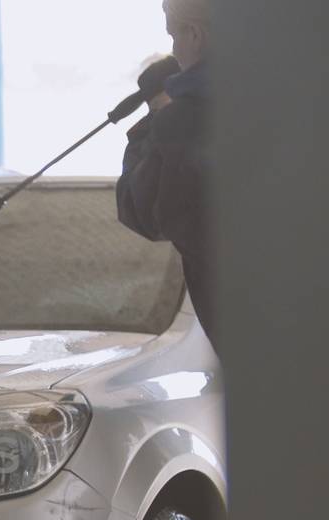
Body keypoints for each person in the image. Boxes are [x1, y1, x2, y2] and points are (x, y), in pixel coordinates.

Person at [117, 0, 213, 340]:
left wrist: (159, 112)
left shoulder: (185, 121)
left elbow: (143, 211)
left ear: (196, 35)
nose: (174, 51)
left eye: (175, 36)